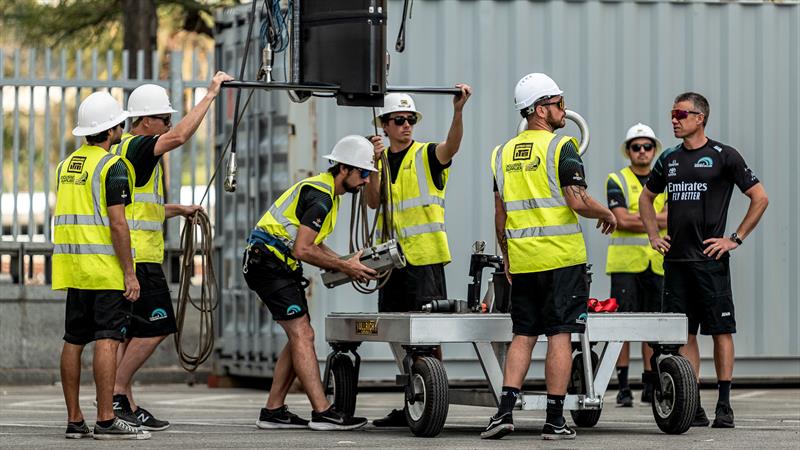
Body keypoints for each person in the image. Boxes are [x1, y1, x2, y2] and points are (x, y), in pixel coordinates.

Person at [481, 73, 616, 440]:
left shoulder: (501, 154)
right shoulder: (562, 146)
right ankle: (555, 419)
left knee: (523, 334)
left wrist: (506, 253)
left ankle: (505, 412)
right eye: (558, 103)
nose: (564, 109)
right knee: (561, 334)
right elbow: (577, 199)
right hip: (561, 259)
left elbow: (501, 212)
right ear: (541, 110)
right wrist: (606, 213)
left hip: (523, 261)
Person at [109, 72, 233, 431]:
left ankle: (124, 401)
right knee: (159, 325)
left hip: (129, 255)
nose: (169, 124)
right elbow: (179, 137)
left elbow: (137, 208)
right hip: (141, 259)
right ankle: (116, 394)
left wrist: (178, 209)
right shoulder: (139, 146)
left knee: (128, 333)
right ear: (145, 121)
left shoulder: (121, 151)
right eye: (164, 118)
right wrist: (210, 95)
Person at [640, 92, 768, 429]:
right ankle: (692, 404)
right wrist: (654, 236)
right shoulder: (668, 158)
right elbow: (646, 196)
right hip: (676, 263)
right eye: (672, 113)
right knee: (685, 334)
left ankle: (724, 405)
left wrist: (734, 239)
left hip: (710, 263)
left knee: (721, 331)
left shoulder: (724, 155)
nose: (674, 120)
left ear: (700, 118)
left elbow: (760, 197)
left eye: (681, 113)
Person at [242, 135, 378, 431]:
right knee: (303, 334)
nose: (367, 181)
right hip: (269, 263)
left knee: (300, 335)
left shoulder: (326, 192)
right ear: (344, 169)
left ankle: (273, 410)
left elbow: (312, 244)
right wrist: (345, 266)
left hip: (273, 263)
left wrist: (345, 262)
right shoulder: (321, 196)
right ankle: (323, 411)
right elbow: (303, 249)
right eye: (364, 173)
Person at [364, 85, 472, 427]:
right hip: (391, 264)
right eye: (399, 120)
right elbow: (371, 201)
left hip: (425, 261)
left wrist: (457, 112)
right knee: (397, 332)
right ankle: (413, 396)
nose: (406, 125)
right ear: (385, 125)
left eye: (411, 119)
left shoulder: (427, 155)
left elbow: (451, 146)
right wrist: (373, 161)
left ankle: (431, 398)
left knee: (427, 334)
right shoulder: (379, 159)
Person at [53, 91, 149, 440]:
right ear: (112, 129)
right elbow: (118, 224)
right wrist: (129, 272)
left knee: (74, 340)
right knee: (107, 340)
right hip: (105, 270)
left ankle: (75, 419)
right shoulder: (113, 166)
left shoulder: (67, 166)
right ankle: (107, 418)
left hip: (73, 269)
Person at [605, 123, 668, 406]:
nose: (642, 152)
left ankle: (649, 383)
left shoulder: (666, 180)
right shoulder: (616, 179)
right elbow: (620, 219)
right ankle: (623, 386)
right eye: (636, 147)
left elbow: (674, 217)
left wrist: (635, 218)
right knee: (622, 325)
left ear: (654, 150)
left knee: (652, 325)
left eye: (647, 146)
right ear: (628, 151)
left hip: (657, 264)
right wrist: (655, 218)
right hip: (625, 265)